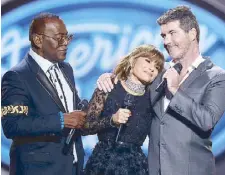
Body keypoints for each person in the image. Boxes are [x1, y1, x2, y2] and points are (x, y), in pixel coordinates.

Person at [96, 6, 225, 175]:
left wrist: (174, 90)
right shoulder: (156, 73)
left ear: (192, 33)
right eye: (163, 36)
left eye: (172, 33)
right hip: (153, 169)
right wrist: (109, 77)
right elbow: (129, 81)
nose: (166, 41)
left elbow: (207, 121)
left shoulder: (216, 76)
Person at [1, 13, 86, 175]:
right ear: (38, 40)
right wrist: (61, 120)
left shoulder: (66, 69)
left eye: (67, 37)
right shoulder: (16, 76)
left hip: (72, 167)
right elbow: (12, 125)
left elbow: (72, 110)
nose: (66, 43)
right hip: (39, 169)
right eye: (59, 38)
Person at [81, 45, 164, 175]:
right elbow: (86, 127)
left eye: (157, 67)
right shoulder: (108, 86)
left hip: (134, 167)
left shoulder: (154, 98)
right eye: (148, 61)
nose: (152, 68)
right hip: (103, 164)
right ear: (132, 61)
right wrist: (111, 121)